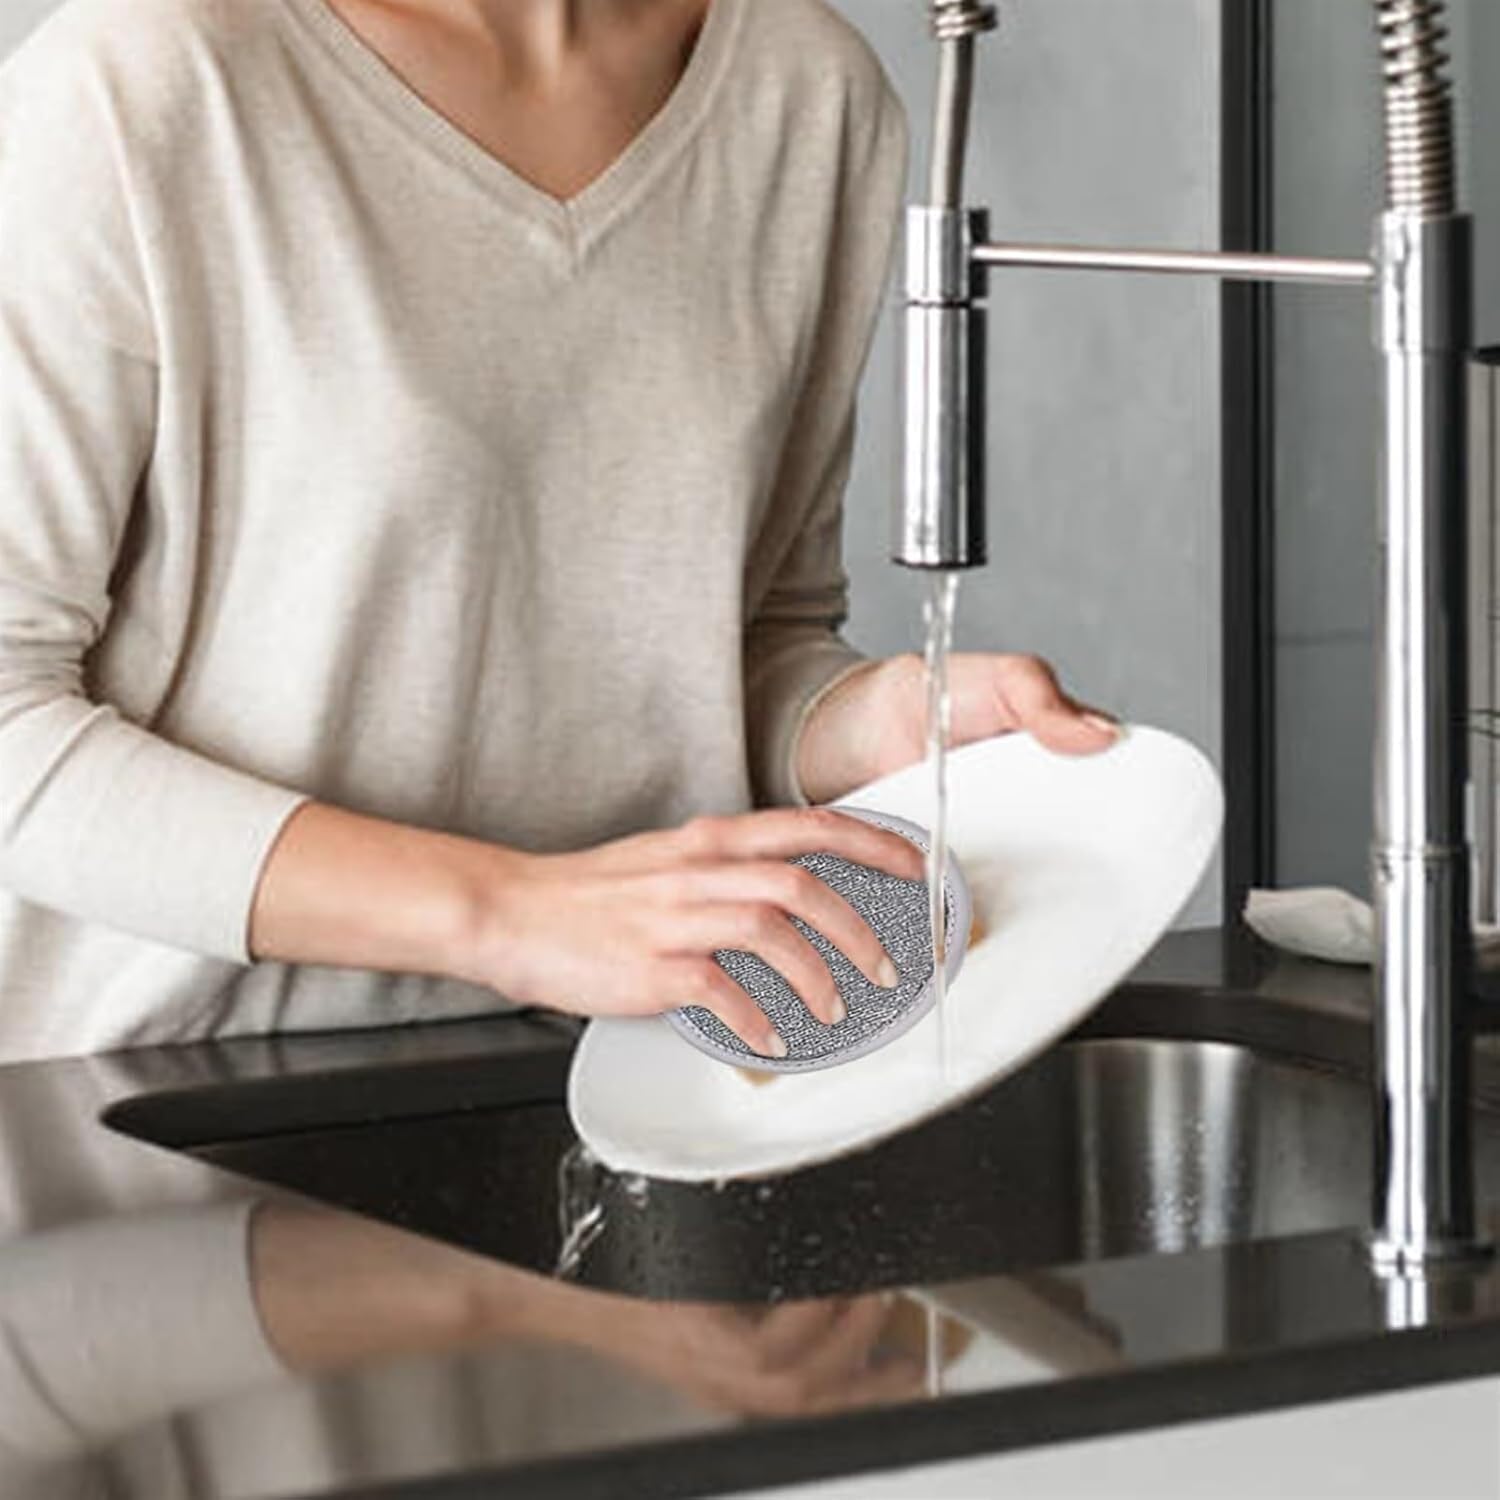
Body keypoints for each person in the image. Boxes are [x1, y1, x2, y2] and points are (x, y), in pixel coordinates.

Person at [0, 0, 1116, 1064]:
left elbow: (748, 635)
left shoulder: (809, 94)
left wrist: (870, 724)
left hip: (639, 1072)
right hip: (167, 1099)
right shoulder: (142, 85)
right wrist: (515, 913)